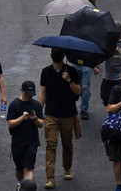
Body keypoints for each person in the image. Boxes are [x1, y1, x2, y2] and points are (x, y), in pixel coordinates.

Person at [38, 49, 81, 189]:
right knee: (51, 145)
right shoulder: (46, 72)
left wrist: (69, 80)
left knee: (67, 143)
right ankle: (50, 177)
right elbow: (42, 92)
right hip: (51, 114)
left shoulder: (71, 71)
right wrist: (39, 111)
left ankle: (67, 168)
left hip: (68, 113)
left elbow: (78, 91)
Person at [6, 81, 44, 187]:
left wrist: (35, 118)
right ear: (22, 91)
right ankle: (20, 183)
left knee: (29, 167)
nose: (28, 97)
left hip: (32, 141)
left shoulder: (36, 105)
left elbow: (41, 124)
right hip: (18, 142)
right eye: (27, 94)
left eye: (31, 94)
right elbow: (10, 123)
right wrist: (22, 118)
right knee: (19, 168)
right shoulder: (14, 105)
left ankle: (28, 188)